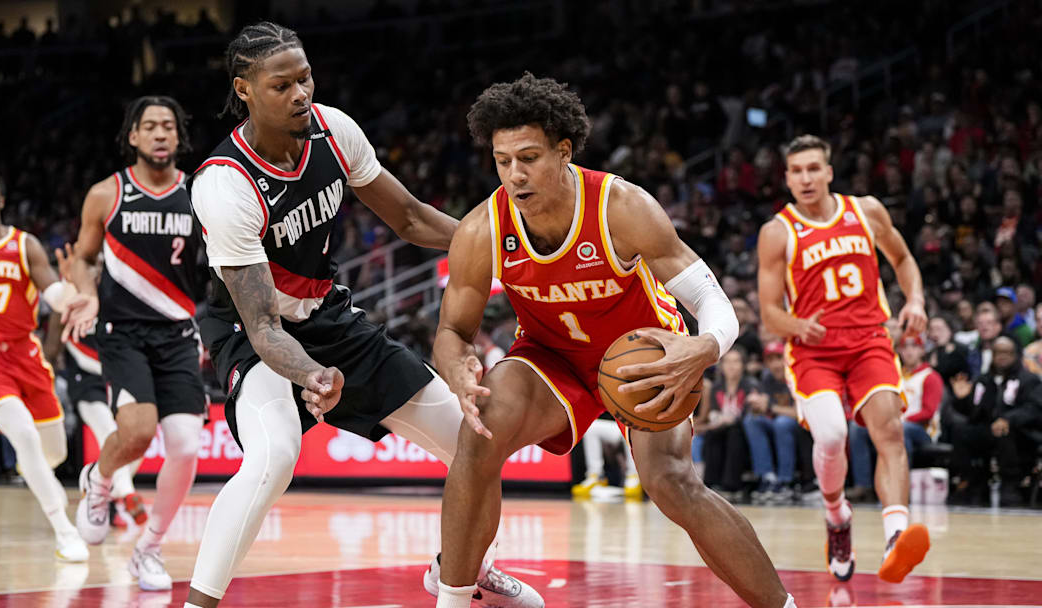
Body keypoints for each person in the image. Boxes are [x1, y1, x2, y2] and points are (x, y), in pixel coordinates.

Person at [182, 22, 539, 608]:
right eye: (282, 85)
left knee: (478, 444)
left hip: (329, 316)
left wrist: (500, 250)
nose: (300, 93)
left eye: (305, 78)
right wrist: (313, 377)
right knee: (274, 458)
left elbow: (412, 219)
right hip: (253, 334)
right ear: (244, 89)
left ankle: (463, 569)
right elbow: (266, 326)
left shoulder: (333, 128)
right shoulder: (224, 184)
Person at [434, 73, 793, 608]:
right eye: (502, 160)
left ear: (563, 151)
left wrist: (703, 346)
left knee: (670, 481)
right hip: (550, 357)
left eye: (528, 157)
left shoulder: (621, 205)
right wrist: (458, 367)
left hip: (644, 357)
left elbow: (713, 301)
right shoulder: (482, 229)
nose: (514, 174)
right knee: (479, 432)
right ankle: (453, 600)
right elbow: (451, 332)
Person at [756, 134, 930, 583]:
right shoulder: (778, 232)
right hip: (814, 351)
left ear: (829, 171)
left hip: (869, 339)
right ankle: (837, 516)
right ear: (787, 178)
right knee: (832, 436)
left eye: (814, 168)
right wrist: (797, 326)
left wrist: (915, 302)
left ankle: (895, 535)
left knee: (889, 429)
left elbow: (905, 258)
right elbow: (770, 313)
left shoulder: (866, 211)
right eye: (796, 171)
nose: (806, 178)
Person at [61, 96, 207, 590]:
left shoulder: (199, 194)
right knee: (139, 432)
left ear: (178, 136)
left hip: (178, 333)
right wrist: (84, 292)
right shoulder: (107, 194)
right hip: (123, 334)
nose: (161, 133)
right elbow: (82, 256)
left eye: (169, 125)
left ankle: (149, 549)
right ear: (133, 137)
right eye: (150, 126)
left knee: (186, 446)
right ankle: (99, 481)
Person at [0, 167, 88, 561]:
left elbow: (53, 295)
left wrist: (72, 290)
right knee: (25, 439)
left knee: (52, 452)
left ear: (1, 200)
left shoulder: (24, 245)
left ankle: (44, 475)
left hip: (26, 355)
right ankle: (65, 531)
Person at [44, 305, 147, 527]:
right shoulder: (67, 298)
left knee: (137, 443)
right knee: (110, 433)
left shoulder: (115, 291)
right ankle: (127, 494)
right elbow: (51, 349)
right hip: (85, 379)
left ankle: (98, 486)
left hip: (117, 375)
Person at [948, 336, 1042, 507]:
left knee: (1004, 431)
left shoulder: (1029, 379)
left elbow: (1034, 409)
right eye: (997, 352)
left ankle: (1011, 486)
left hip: (1020, 433)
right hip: (988, 430)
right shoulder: (984, 380)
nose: (1002, 356)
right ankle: (973, 483)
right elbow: (974, 412)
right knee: (961, 431)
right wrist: (962, 400)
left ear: (1016, 355)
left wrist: (1008, 419)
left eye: (1007, 352)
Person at [849, 334, 942, 493]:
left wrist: (899, 419)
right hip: (894, 423)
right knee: (857, 428)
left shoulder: (930, 376)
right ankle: (863, 485)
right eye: (905, 347)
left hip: (922, 430)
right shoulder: (894, 375)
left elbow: (928, 412)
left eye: (914, 347)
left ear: (921, 351)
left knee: (900, 429)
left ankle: (898, 488)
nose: (909, 351)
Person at [742, 341, 801, 504]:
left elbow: (798, 413)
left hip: (800, 426)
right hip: (775, 422)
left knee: (782, 423)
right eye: (770, 360)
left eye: (779, 358)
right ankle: (767, 477)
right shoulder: (767, 379)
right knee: (751, 420)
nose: (775, 364)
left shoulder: (795, 376)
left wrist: (769, 407)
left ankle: (785, 482)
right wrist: (756, 406)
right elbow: (765, 407)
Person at [694, 348, 754, 500]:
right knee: (713, 434)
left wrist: (729, 419)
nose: (731, 366)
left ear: (743, 365)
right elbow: (714, 414)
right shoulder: (717, 387)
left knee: (734, 433)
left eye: (736, 362)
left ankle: (732, 485)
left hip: (742, 429)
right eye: (727, 362)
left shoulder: (750, 385)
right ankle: (711, 483)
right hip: (721, 427)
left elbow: (749, 415)